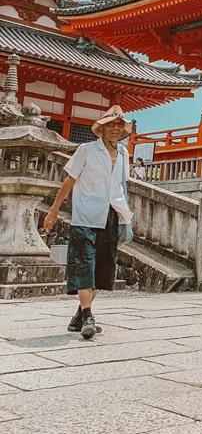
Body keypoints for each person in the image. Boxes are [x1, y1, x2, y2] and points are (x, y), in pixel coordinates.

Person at [43, 105, 133, 339]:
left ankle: (79, 317)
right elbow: (69, 181)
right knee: (85, 266)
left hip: (111, 216)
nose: (115, 129)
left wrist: (126, 218)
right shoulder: (86, 150)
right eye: (110, 125)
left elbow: (121, 186)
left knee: (102, 269)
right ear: (101, 128)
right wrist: (53, 210)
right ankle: (88, 315)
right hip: (85, 216)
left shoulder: (124, 154)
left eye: (119, 126)